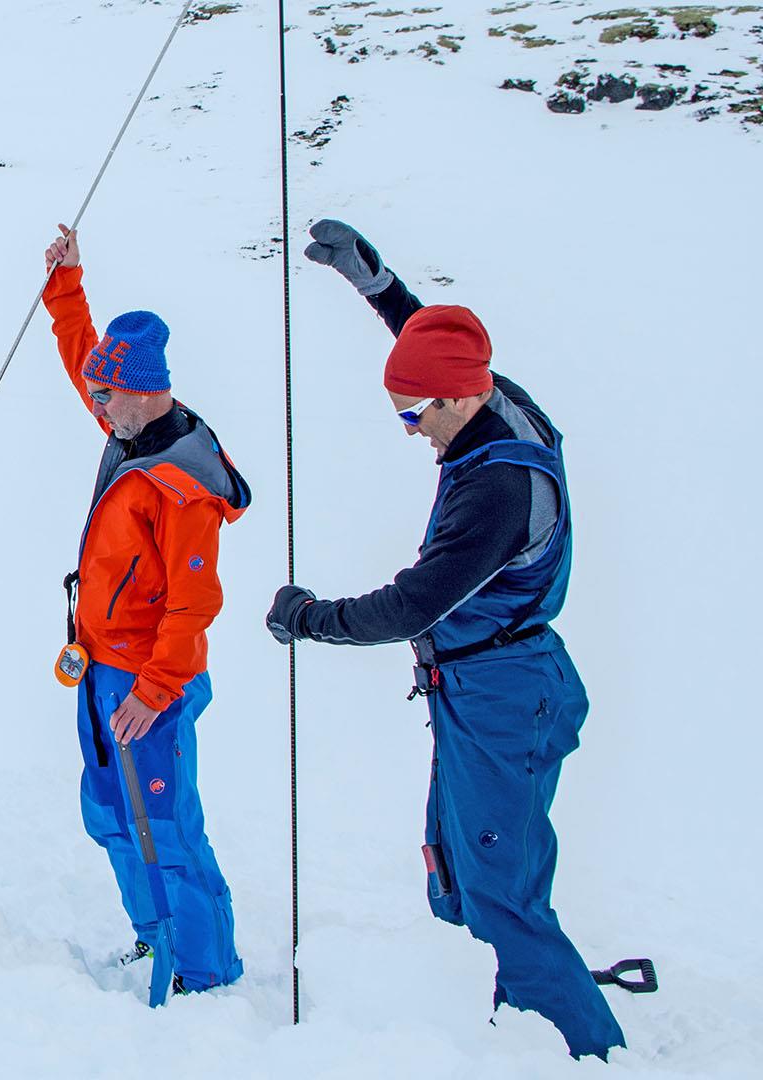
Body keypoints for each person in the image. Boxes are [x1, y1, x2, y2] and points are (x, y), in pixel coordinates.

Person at [264, 220, 624, 1059]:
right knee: (462, 878)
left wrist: (309, 616)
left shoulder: (497, 491)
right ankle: (517, 1019)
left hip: (506, 694)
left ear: (462, 401)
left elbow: (408, 608)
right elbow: (436, 352)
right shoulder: (491, 397)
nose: (410, 429)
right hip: (483, 688)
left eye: (413, 416)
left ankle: (585, 1052)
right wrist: (377, 284)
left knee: (501, 893)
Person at [42, 225, 249, 995]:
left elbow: (195, 605)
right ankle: (152, 933)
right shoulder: (129, 422)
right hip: (99, 667)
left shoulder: (181, 485)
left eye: (107, 395)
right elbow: (82, 360)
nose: (95, 405)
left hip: (150, 682)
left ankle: (206, 969)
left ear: (146, 390)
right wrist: (66, 286)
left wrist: (157, 689)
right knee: (111, 816)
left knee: (167, 829)